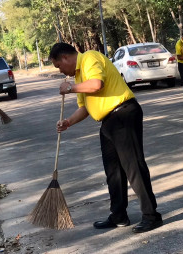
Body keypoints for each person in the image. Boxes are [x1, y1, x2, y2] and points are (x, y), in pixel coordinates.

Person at [50, 43, 163, 233]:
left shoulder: (89, 58)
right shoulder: (78, 75)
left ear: (64, 58)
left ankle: (152, 216)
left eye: (58, 66)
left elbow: (96, 85)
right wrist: (68, 122)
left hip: (123, 114)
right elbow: (85, 107)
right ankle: (119, 215)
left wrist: (69, 87)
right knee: (113, 171)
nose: (61, 72)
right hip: (108, 122)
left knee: (133, 167)